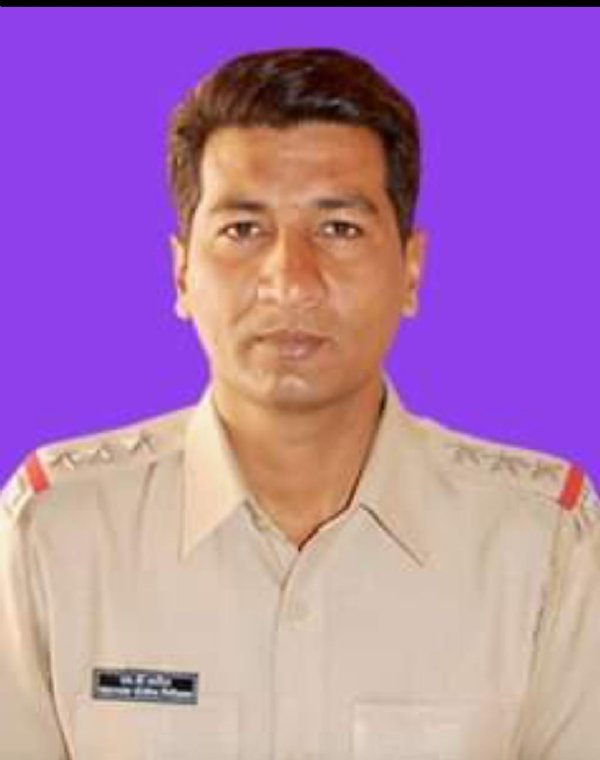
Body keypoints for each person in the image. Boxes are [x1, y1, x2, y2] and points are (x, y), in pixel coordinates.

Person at [1, 47, 599, 760]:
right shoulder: (57, 534)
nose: (290, 279)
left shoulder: (540, 544)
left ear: (411, 271)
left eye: (339, 228)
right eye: (243, 230)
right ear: (182, 273)